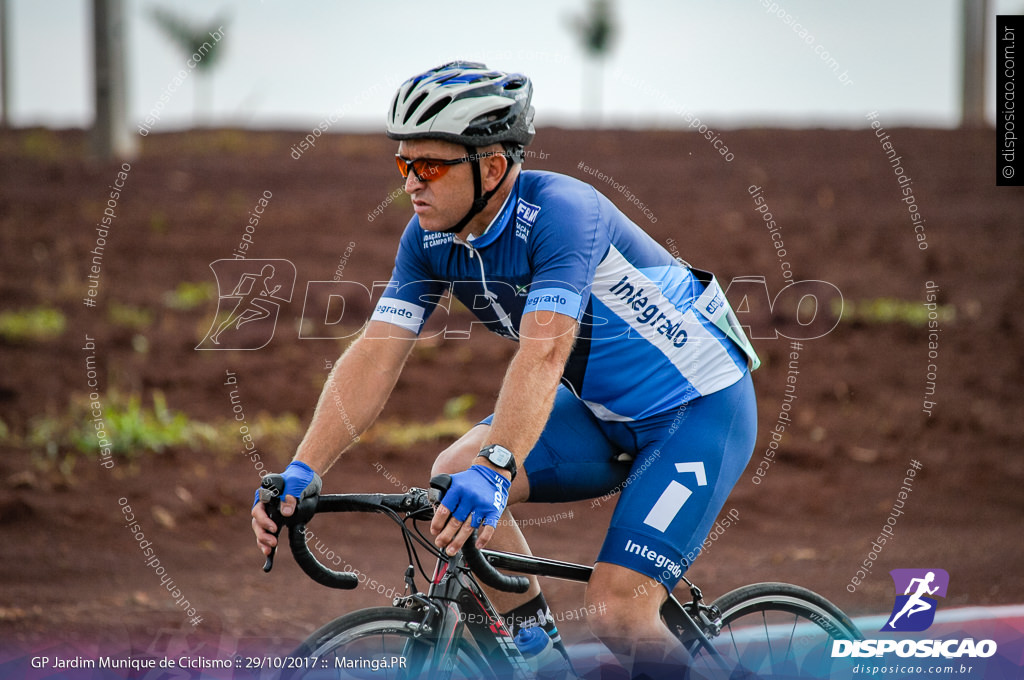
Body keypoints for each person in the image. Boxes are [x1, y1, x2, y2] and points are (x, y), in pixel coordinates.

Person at [251, 61, 759, 678]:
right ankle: (543, 661)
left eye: (430, 166)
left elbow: (544, 351)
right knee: (451, 473)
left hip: (697, 408)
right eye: (403, 165)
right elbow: (377, 350)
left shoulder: (565, 214)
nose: (412, 183)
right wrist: (305, 467)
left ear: (491, 166)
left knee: (618, 610)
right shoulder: (429, 239)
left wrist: (497, 466)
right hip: (602, 411)